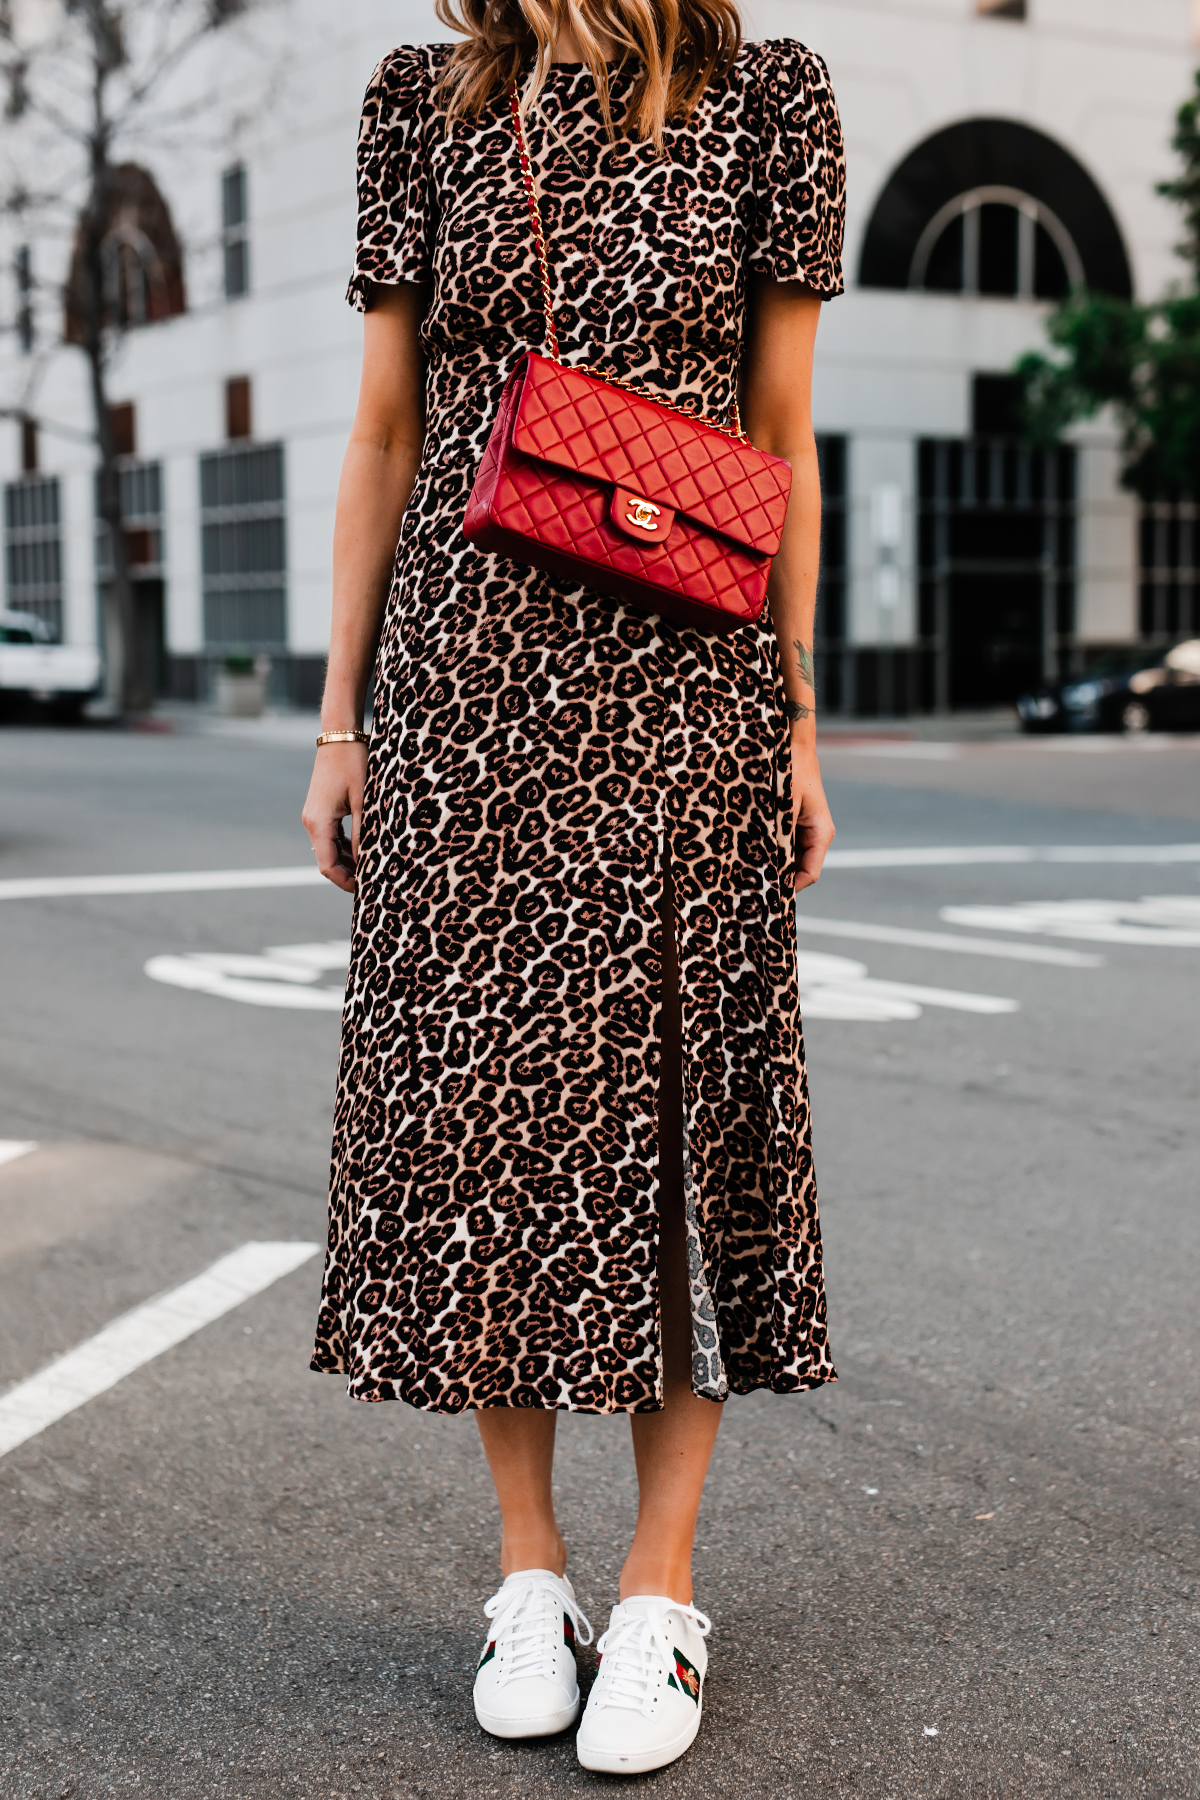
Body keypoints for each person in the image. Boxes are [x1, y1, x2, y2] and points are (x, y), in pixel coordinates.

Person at [302, 0, 845, 1774]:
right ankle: (530, 1572)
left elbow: (780, 427)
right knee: (488, 1132)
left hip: (682, 689)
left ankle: (664, 1587)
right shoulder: (424, 97)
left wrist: (796, 713)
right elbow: (386, 428)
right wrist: (339, 721)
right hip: (460, 695)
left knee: (676, 1117)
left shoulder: (771, 96)